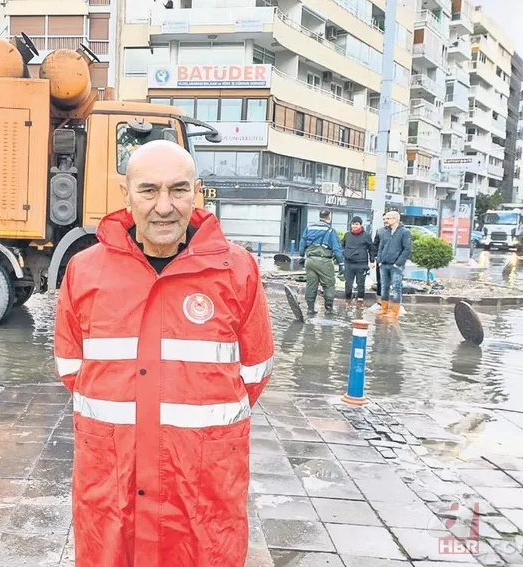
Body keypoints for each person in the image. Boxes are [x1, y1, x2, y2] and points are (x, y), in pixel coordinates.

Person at [53, 140, 275, 567]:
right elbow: (71, 367)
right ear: (126, 195)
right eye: (149, 190)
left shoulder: (238, 269)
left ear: (197, 192)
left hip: (202, 481)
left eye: (178, 190)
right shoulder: (85, 270)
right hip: (112, 476)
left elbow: (254, 372)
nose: (164, 206)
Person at [298, 209, 345, 316]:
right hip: (324, 261)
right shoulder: (331, 231)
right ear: (329, 217)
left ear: (319, 216)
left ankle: (310, 309)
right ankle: (328, 309)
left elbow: (302, 243)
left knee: (311, 285)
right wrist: (341, 263)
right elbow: (337, 249)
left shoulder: (309, 228)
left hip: (310, 260)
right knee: (328, 285)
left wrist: (302, 256)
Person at [374, 210, 413, 317]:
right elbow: (380, 247)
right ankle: (384, 308)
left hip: (396, 265)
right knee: (384, 287)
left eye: (388, 218)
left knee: (396, 287)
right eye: (385, 218)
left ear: (395, 219)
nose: (385, 220)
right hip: (384, 264)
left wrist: (398, 263)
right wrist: (380, 261)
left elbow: (407, 249)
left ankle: (395, 311)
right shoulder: (384, 232)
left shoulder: (404, 232)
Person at [341, 216, 377, 306]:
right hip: (349, 263)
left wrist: (372, 260)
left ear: (360, 225)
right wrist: (344, 254)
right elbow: (342, 246)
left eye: (356, 224)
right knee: (348, 284)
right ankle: (348, 301)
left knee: (360, 284)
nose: (354, 226)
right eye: (353, 224)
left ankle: (360, 302)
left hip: (361, 264)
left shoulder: (366, 236)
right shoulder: (347, 235)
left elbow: (371, 249)